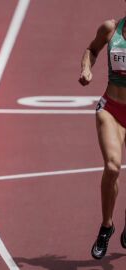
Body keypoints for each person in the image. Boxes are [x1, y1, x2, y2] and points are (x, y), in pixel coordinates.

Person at [79, 3, 126, 260]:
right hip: (112, 109)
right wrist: (86, 69)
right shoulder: (111, 28)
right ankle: (107, 226)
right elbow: (91, 49)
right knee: (112, 166)